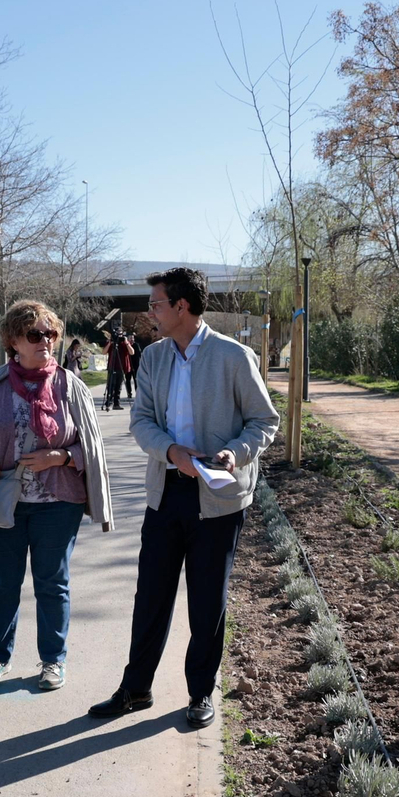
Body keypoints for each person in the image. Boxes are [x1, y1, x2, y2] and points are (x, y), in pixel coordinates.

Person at [89, 267, 278, 730]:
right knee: (150, 595)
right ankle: (136, 688)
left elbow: (264, 421)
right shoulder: (153, 358)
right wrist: (172, 451)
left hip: (219, 501)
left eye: (156, 303)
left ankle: (199, 694)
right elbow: (142, 421)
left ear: (182, 306)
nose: (150, 311)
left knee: (207, 602)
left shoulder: (234, 356)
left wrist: (235, 452)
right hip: (166, 493)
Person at [0, 300, 113, 692]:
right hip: (3, 502)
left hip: (57, 505)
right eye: (35, 334)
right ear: (14, 341)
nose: (45, 341)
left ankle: (53, 660)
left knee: (52, 583)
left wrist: (61, 456)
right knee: (2, 584)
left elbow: (92, 448)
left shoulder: (70, 385)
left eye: (50, 333)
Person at [122, 333, 138, 400]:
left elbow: (138, 355)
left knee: (136, 380)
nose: (132, 339)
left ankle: (137, 393)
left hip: (136, 365)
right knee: (128, 380)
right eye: (130, 338)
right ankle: (129, 393)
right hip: (128, 365)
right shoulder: (125, 345)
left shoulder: (136, 345)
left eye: (133, 338)